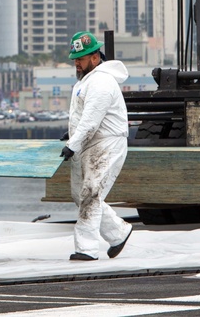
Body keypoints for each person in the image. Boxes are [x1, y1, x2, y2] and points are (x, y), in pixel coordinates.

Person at [59, 31, 133, 261]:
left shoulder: (101, 81)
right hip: (91, 144)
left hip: (106, 144)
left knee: (90, 194)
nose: (76, 63)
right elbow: (86, 117)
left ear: (94, 57)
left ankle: (86, 250)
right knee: (81, 194)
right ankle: (118, 233)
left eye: (80, 59)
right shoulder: (89, 80)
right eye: (75, 59)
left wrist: (73, 143)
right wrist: (72, 135)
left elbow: (92, 119)